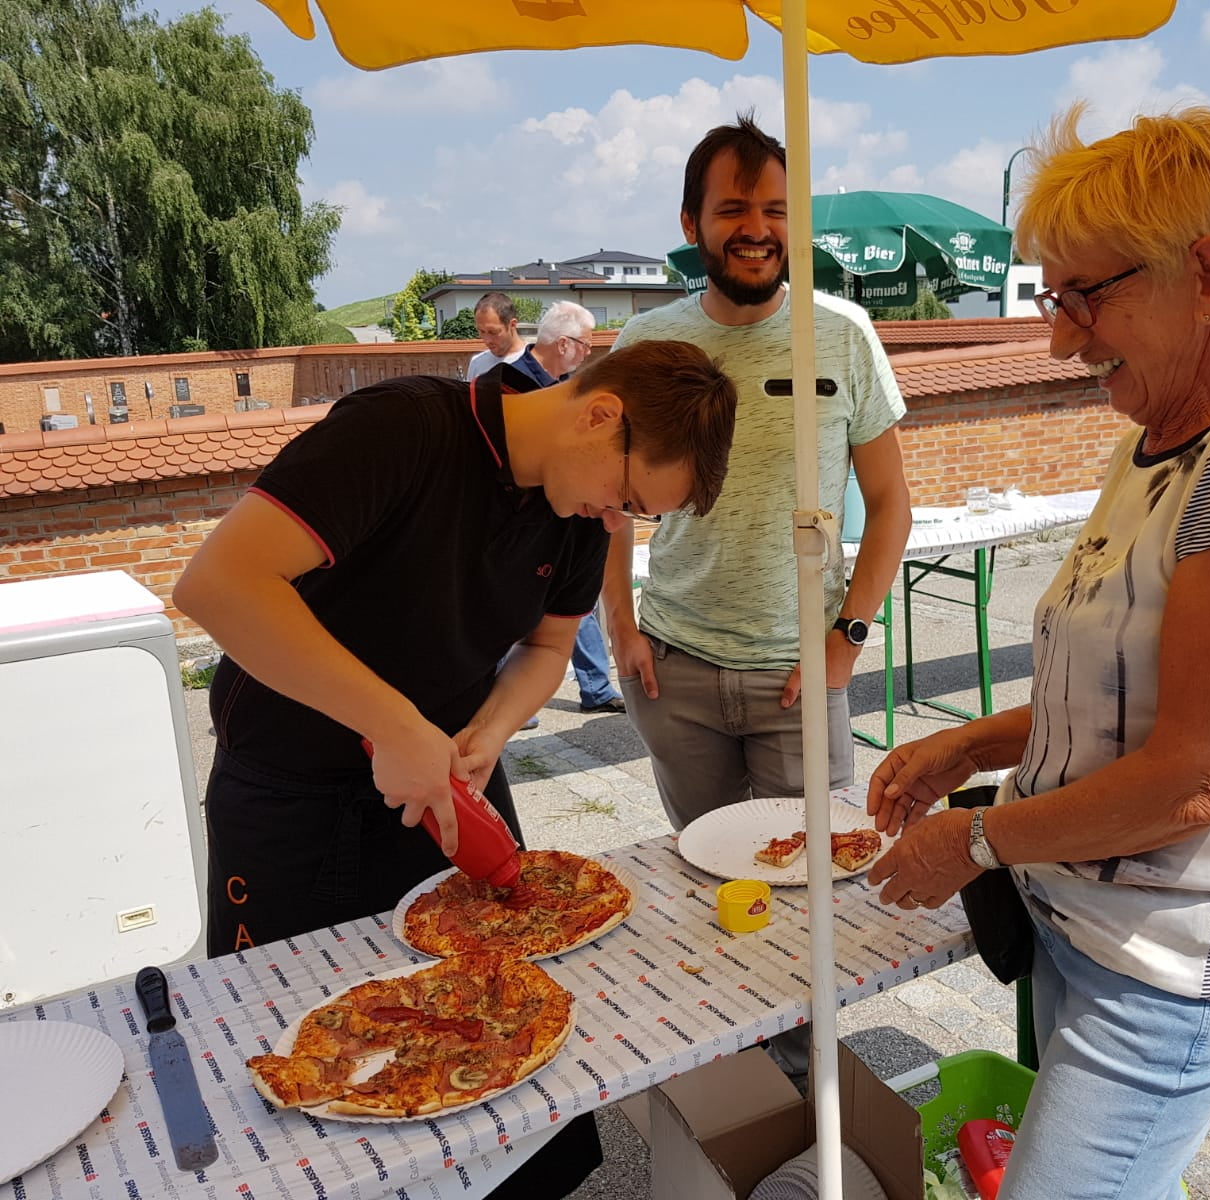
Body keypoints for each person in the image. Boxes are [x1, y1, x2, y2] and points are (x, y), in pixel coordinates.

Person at [865, 104, 1210, 1199]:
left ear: (1203, 272)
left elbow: (1196, 780)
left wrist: (978, 839)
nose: (1059, 336)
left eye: (1084, 294)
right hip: (1087, 926)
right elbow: (1115, 695)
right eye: (1055, 296)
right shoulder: (1152, 445)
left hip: (1169, 969)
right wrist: (969, 743)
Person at [173, 341, 736, 1197]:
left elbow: (549, 645)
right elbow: (218, 584)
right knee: (301, 1079)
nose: (616, 521)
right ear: (600, 413)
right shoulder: (404, 430)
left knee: (494, 1054)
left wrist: (490, 730)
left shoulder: (578, 514)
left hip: (447, 786)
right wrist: (394, 722)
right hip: (292, 796)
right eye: (625, 496)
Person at [601, 113, 913, 831]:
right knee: (706, 878)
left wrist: (848, 639)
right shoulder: (648, 343)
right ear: (691, 222)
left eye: (776, 210)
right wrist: (620, 624)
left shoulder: (841, 335)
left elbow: (892, 501)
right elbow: (606, 503)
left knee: (816, 890)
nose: (757, 228)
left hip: (801, 672)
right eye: (733, 208)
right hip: (673, 666)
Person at [468, 296, 625, 715]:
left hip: (564, 520)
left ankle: (593, 688)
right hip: (522, 523)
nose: (588, 353)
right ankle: (518, 703)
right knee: (516, 611)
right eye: (586, 346)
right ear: (564, 343)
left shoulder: (564, 387)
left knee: (577, 606)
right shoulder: (512, 384)